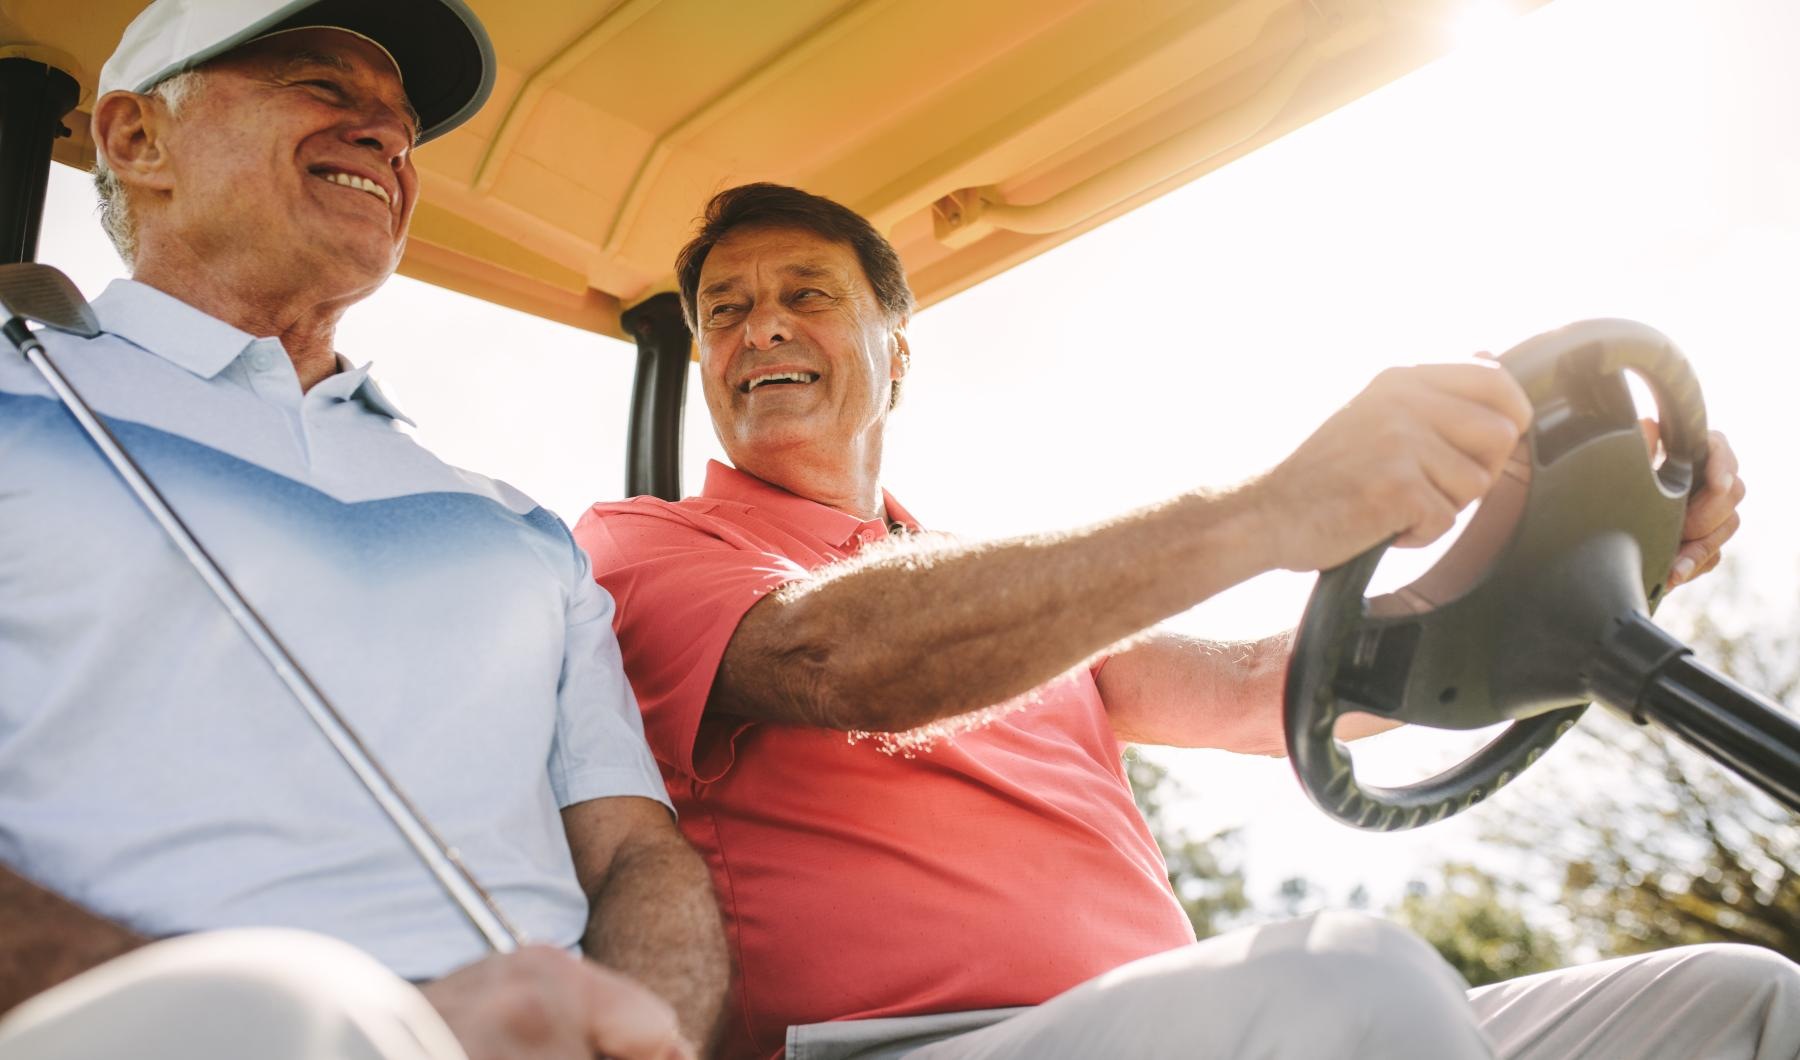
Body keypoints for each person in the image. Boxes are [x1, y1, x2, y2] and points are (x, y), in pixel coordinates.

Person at [573, 182, 1795, 1060]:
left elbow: (1269, 685)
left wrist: (1581, 575)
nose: (760, 326)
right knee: (1346, 982)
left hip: (1167, 1018)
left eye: (805, 294)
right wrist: (1274, 510)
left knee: (1744, 1003)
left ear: (897, 357)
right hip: (906, 1043)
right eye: (723, 311)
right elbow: (838, 655)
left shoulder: (990, 588)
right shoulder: (649, 546)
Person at [0, 3, 726, 1058]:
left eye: (401, 125)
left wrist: (647, 1032)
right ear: (135, 140)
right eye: (323, 87)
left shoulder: (514, 523)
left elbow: (631, 856)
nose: (387, 137)